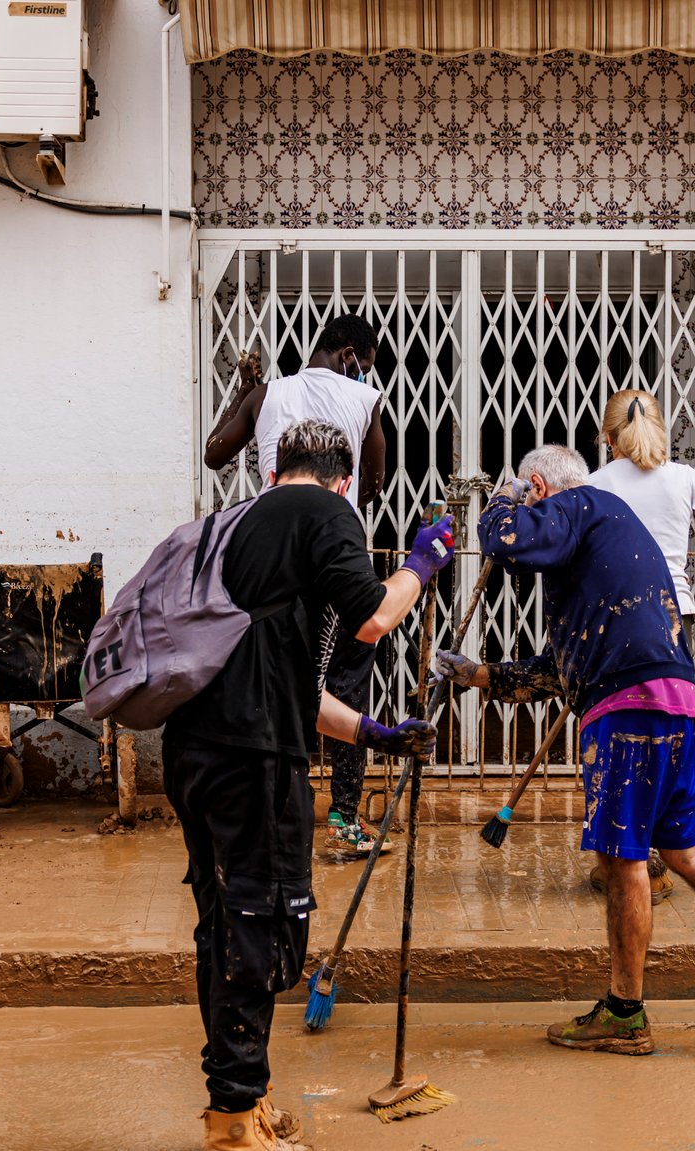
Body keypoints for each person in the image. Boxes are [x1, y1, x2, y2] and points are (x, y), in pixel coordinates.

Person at [433, 446, 695, 1056]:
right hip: (675, 700)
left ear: (539, 487)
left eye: (530, 499)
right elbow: (558, 673)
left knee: (622, 858)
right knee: (687, 850)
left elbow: (504, 540)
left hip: (628, 711)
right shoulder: (606, 534)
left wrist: (502, 499)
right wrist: (478, 675)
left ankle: (625, 1013)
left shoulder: (581, 504)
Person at [165, 420, 451, 1150]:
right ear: (343, 481)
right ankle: (232, 1123)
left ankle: (244, 1099)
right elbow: (375, 616)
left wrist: (371, 732)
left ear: (273, 470)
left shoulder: (233, 529)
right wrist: (422, 563)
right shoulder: (323, 511)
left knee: (224, 925)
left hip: (197, 756)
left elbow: (288, 689)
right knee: (259, 927)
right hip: (252, 761)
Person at [203, 316, 392, 859]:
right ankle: (344, 815)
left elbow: (216, 453)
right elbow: (374, 484)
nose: (365, 373)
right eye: (367, 363)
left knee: (276, 673)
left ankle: (274, 803)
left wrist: (243, 394)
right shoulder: (364, 398)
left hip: (269, 551)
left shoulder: (264, 395)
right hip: (335, 548)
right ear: (351, 353)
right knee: (349, 677)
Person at [586, 389, 695, 906]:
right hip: (674, 622)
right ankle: (657, 852)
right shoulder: (686, 480)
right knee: (668, 737)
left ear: (607, 438)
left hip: (615, 625)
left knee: (616, 737)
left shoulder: (595, 484)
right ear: (661, 432)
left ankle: (624, 856)